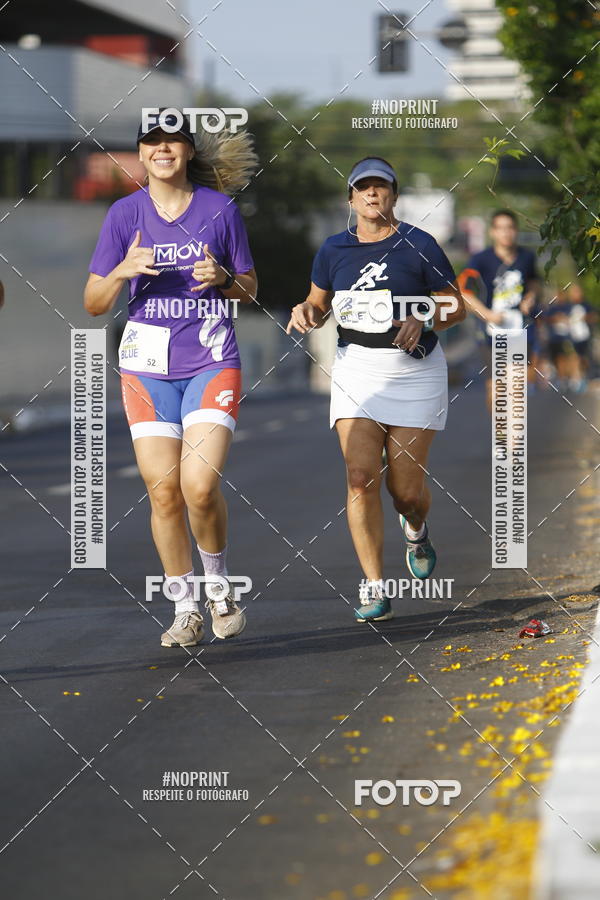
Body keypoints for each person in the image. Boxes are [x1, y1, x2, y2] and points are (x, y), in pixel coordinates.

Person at [84, 110, 258, 648]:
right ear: (140, 154)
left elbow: (251, 290)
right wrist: (121, 271)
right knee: (164, 494)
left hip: (210, 359)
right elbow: (93, 304)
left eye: (173, 142)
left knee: (199, 487)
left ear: (187, 153)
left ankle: (220, 587)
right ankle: (186, 608)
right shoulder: (123, 214)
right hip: (145, 367)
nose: (163, 150)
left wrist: (224, 278)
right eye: (152, 143)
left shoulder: (219, 209)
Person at [286, 157, 466, 622]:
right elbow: (317, 302)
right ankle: (373, 585)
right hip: (356, 369)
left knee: (404, 490)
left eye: (380, 187)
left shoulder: (419, 244)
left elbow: (455, 305)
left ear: (393, 196)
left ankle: (416, 524)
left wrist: (423, 314)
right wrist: (305, 311)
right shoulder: (333, 250)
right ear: (350, 199)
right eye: (362, 188)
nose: (371, 194)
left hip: (414, 370)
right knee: (359, 478)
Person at [458, 209, 540, 410]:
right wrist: (487, 315)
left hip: (519, 327)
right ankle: (502, 434)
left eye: (510, 228)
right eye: (500, 228)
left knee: (516, 386)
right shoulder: (480, 259)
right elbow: (463, 290)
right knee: (497, 388)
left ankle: (512, 440)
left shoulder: (526, 257)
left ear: (516, 231)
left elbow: (535, 282)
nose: (506, 233)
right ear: (492, 232)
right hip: (490, 330)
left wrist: (530, 297)